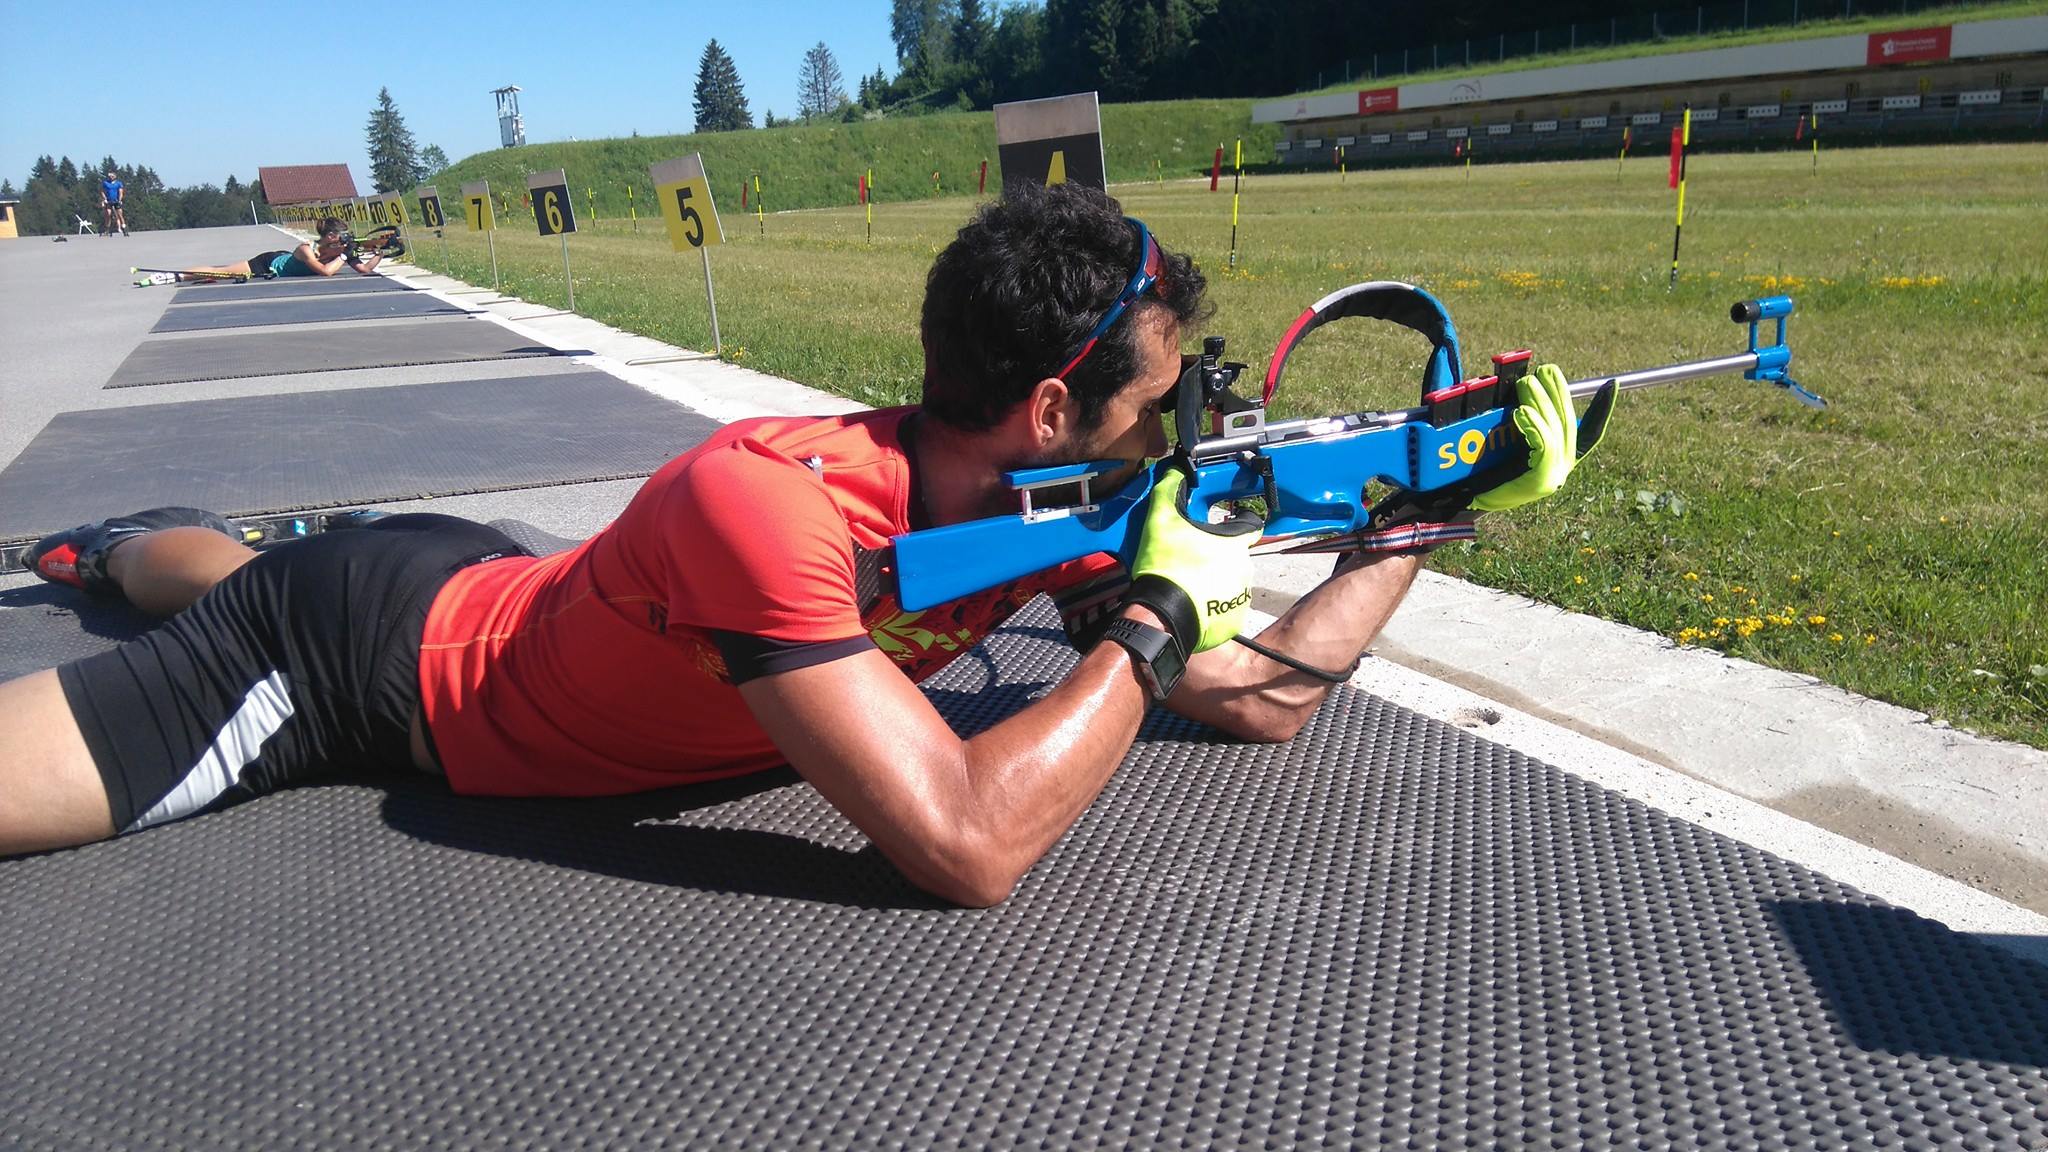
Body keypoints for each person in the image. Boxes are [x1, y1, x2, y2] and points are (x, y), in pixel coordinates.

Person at [0, 183, 1602, 906]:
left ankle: (158, 547)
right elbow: (969, 847)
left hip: (487, 570)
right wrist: (1149, 623)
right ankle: (122, 553)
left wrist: (1421, 521)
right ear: (1052, 404)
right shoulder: (765, 505)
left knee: (226, 559)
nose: (1177, 432)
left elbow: (1252, 695)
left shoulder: (1036, 504)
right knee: (205, 618)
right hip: (359, 669)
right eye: (1159, 402)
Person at [144, 217, 383, 285]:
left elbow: (363, 270)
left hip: (280, 264)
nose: (345, 241)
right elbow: (326, 272)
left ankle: (184, 275)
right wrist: (343, 255)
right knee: (221, 272)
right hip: (268, 263)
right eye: (342, 238)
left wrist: (381, 253)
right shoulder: (306, 249)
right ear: (330, 237)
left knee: (218, 275)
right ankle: (174, 275)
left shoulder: (338, 251)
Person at [99, 169, 127, 236]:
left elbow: (121, 192)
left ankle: (124, 228)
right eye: (110, 176)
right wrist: (104, 198)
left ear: (115, 176)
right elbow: (102, 191)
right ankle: (107, 229)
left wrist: (120, 200)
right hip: (109, 201)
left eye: (112, 176)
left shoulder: (118, 183)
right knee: (108, 214)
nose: (111, 177)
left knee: (120, 215)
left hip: (116, 201)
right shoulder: (105, 183)